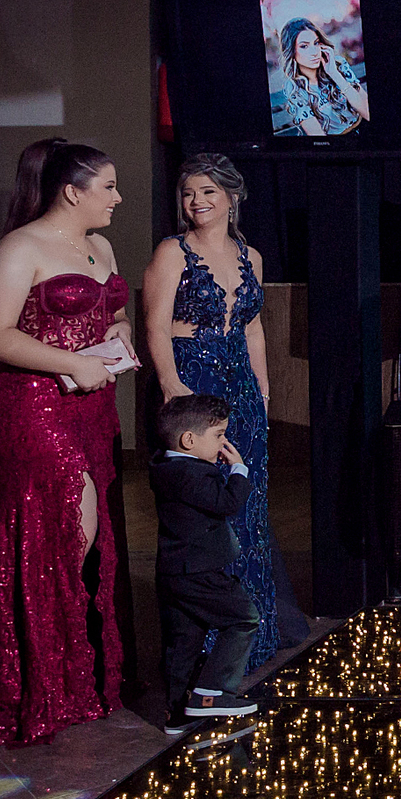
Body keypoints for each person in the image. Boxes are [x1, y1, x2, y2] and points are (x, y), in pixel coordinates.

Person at [0, 138, 139, 747]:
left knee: (77, 542)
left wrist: (119, 334)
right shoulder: (21, 247)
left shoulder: (99, 246)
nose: (118, 198)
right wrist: (72, 361)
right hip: (32, 406)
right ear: (72, 192)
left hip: (92, 408)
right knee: (64, 532)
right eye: (108, 187)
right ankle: (30, 684)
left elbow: (113, 311)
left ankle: (66, 679)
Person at [142, 153, 307, 672]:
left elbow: (253, 328)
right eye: (189, 193)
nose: (197, 202)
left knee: (247, 504)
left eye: (208, 192)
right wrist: (172, 386)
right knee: (202, 506)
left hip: (241, 387)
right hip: (192, 380)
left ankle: (251, 633)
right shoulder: (172, 252)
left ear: (232, 197)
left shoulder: (250, 255)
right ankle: (203, 646)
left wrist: (264, 388)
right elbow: (155, 326)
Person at [150, 393, 260, 733]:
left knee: (184, 642)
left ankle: (177, 713)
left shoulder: (164, 466)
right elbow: (226, 503)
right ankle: (212, 693)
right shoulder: (194, 473)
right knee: (244, 618)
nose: (224, 443)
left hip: (174, 572)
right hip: (198, 572)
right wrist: (239, 470)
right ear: (189, 440)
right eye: (218, 435)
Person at [280, 16, 369, 137]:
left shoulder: (338, 64)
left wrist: (334, 74)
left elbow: (367, 113)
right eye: (304, 46)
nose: (314, 52)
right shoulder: (294, 87)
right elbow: (317, 136)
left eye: (316, 43)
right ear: (291, 51)